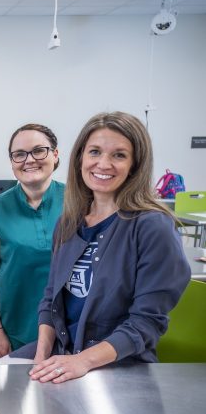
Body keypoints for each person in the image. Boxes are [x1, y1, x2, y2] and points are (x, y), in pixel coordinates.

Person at [25, 111, 190, 383]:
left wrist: (82, 361)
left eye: (119, 155)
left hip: (120, 365)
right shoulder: (68, 223)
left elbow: (146, 324)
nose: (103, 163)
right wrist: (42, 355)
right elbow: (50, 297)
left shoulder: (153, 227)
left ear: (135, 165)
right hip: (66, 353)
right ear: (80, 158)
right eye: (95, 152)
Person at [0, 124, 64, 358]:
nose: (29, 160)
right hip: (17, 328)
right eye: (19, 154)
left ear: (55, 155)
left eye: (39, 151)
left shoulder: (80, 201)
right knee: (19, 393)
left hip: (72, 328)